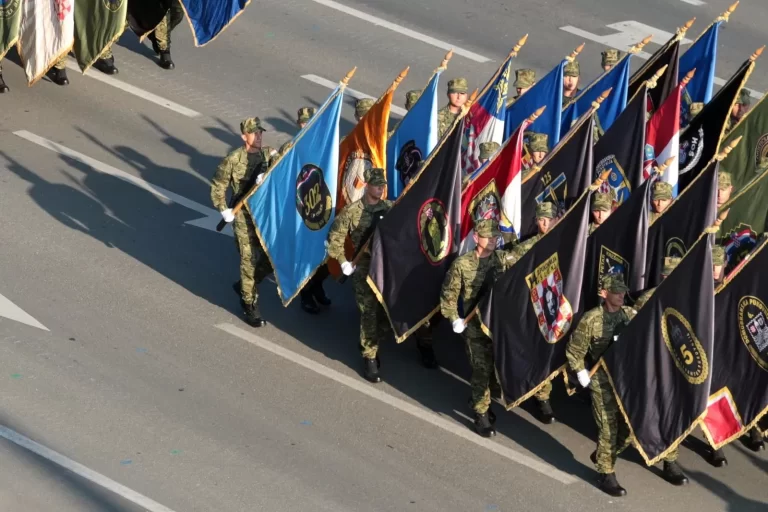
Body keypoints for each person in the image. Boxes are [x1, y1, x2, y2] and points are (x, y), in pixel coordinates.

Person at [567, 273, 689, 497]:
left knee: (630, 430)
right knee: (608, 429)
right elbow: (574, 352)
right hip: (601, 380)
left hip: (625, 381)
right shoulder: (591, 319)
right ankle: (606, 473)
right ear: (604, 293)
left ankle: (605, 454)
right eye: (616, 291)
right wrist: (581, 373)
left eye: (623, 290)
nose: (622, 294)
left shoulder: (630, 315)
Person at [440, 219, 517, 437]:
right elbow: (449, 296)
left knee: (494, 372)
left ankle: (479, 398)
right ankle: (480, 414)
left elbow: (525, 255)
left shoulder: (502, 260)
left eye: (495, 236)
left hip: (496, 328)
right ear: (476, 238)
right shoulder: (462, 265)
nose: (493, 239)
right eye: (488, 236)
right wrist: (454, 318)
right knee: (481, 369)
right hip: (474, 328)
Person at [327, 168, 393, 383]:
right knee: (369, 313)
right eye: (376, 185)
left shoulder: (390, 209)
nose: (381, 188)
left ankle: (370, 340)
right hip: (363, 267)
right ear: (367, 186)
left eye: (382, 185)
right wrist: (343, 261)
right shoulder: (352, 211)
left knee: (385, 314)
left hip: (383, 267)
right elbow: (334, 239)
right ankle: (370, 357)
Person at [210, 117, 277, 328]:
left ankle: (244, 285)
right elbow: (218, 186)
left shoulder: (269, 155)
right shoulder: (233, 159)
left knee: (270, 258)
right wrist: (224, 210)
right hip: (243, 215)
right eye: (254, 133)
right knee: (248, 260)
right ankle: (249, 304)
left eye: (260, 133)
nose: (258, 136)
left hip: (264, 215)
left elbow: (287, 162)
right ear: (243, 136)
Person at [509, 202, 559, 423]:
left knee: (546, 351)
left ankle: (543, 397)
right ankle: (521, 386)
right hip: (530, 308)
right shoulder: (526, 248)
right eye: (541, 219)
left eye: (549, 219)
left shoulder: (565, 246)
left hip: (553, 309)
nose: (545, 223)